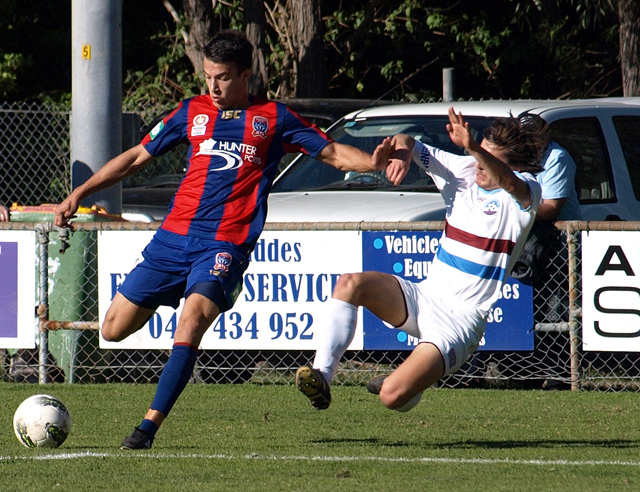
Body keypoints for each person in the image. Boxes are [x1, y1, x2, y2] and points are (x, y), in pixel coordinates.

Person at [54, 30, 407, 449]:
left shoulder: (274, 118)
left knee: (192, 319)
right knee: (112, 330)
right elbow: (135, 157)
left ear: (245, 74)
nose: (213, 87)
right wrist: (80, 192)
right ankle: (170, 318)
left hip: (224, 244)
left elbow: (331, 153)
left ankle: (146, 429)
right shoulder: (191, 113)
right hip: (172, 239)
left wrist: (371, 162)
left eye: (222, 77)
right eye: (207, 77)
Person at [295, 107, 548, 412]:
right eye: (479, 153)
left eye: (486, 158)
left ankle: (408, 385)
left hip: (460, 322)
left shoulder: (526, 193)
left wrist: (471, 147)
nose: (478, 164)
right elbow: (406, 139)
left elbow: (507, 181)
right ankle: (322, 375)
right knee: (350, 284)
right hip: (423, 298)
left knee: (391, 396)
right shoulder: (462, 170)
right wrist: (402, 154)